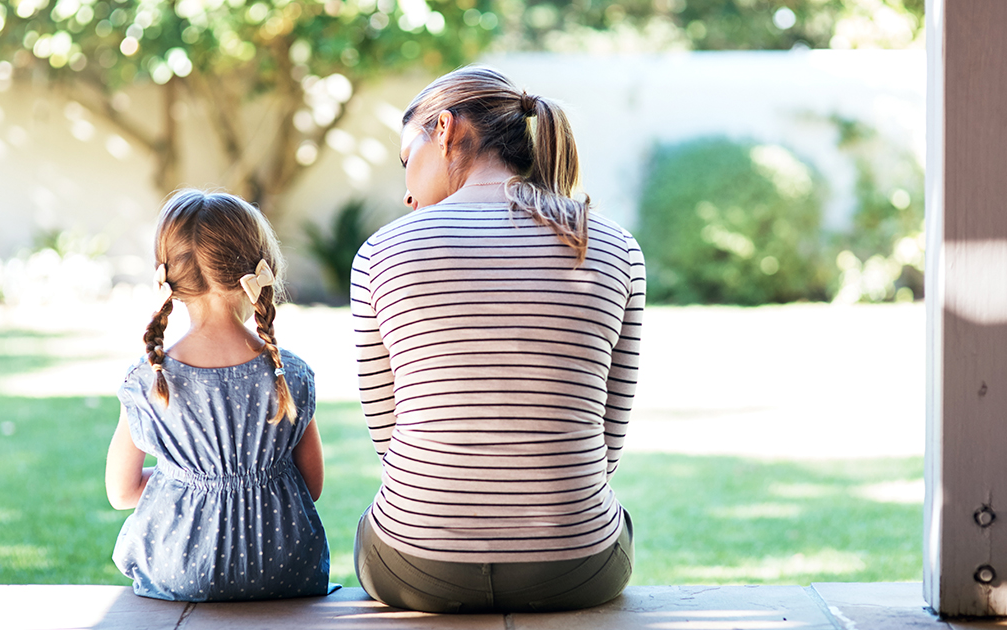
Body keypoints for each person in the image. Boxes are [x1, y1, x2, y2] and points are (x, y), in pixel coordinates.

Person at [350, 66, 645, 613]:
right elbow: (608, 440)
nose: (407, 192)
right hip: (576, 567)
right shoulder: (612, 245)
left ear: (443, 129)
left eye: (405, 159)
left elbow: (389, 438)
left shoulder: (382, 252)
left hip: (416, 567)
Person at [105, 189, 334, 602]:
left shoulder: (148, 379)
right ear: (259, 269)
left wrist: (188, 478)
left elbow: (121, 493)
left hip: (180, 572)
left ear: (168, 279)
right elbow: (312, 485)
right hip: (283, 570)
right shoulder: (291, 374)